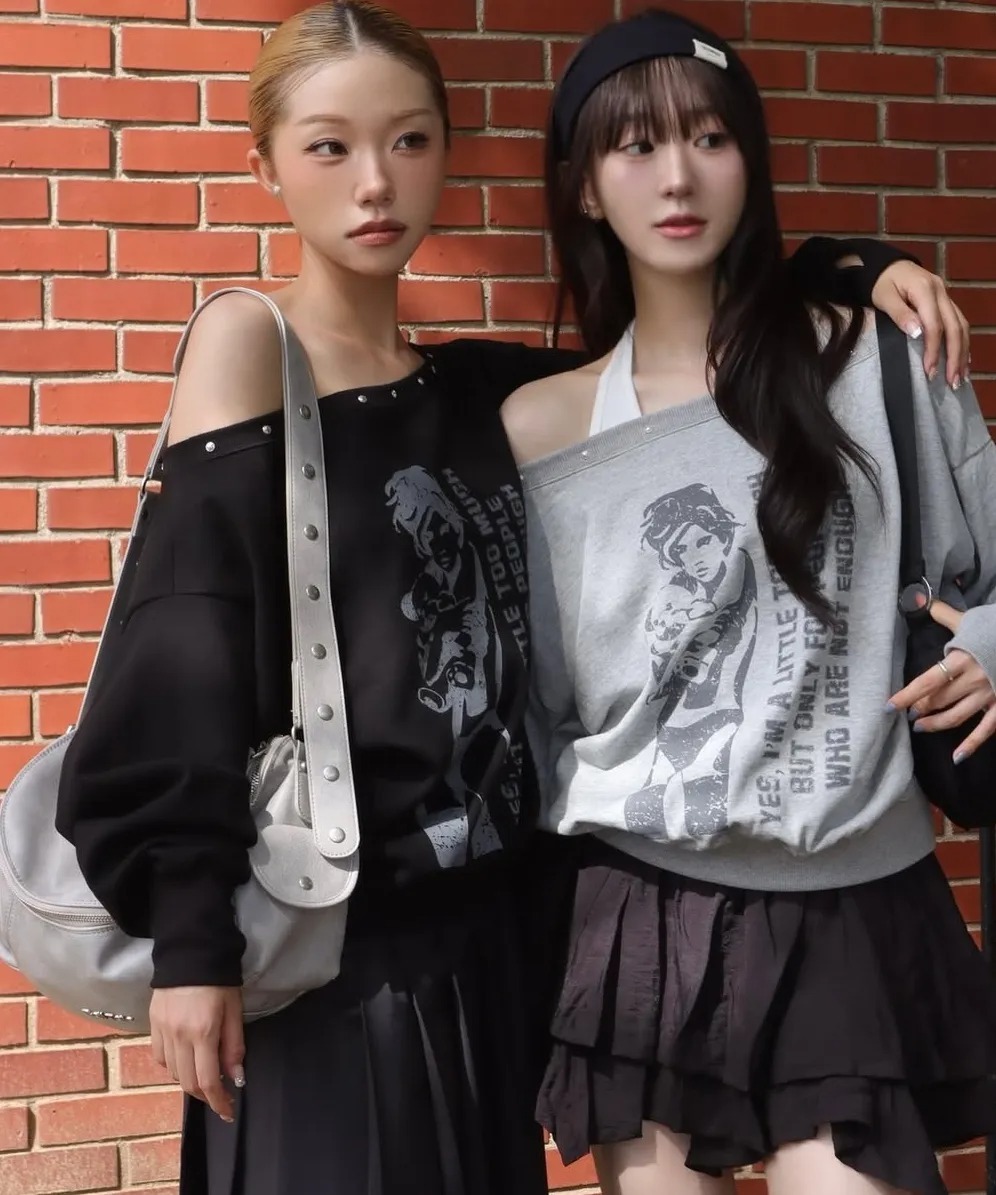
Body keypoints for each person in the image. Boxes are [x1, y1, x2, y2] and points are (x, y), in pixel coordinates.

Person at [53, 3, 973, 1194]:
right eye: (330, 145)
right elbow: (185, 650)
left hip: (490, 938)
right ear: (266, 163)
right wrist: (190, 942)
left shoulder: (484, 393)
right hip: (336, 940)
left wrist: (846, 263)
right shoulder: (248, 348)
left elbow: (687, 336)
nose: (376, 182)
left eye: (411, 140)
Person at [503, 9, 996, 1195]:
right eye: (636, 147)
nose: (677, 177)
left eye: (711, 139)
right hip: (641, 910)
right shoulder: (540, 426)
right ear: (585, 188)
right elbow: (544, 702)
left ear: (750, 161)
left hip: (852, 898)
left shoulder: (880, 361)